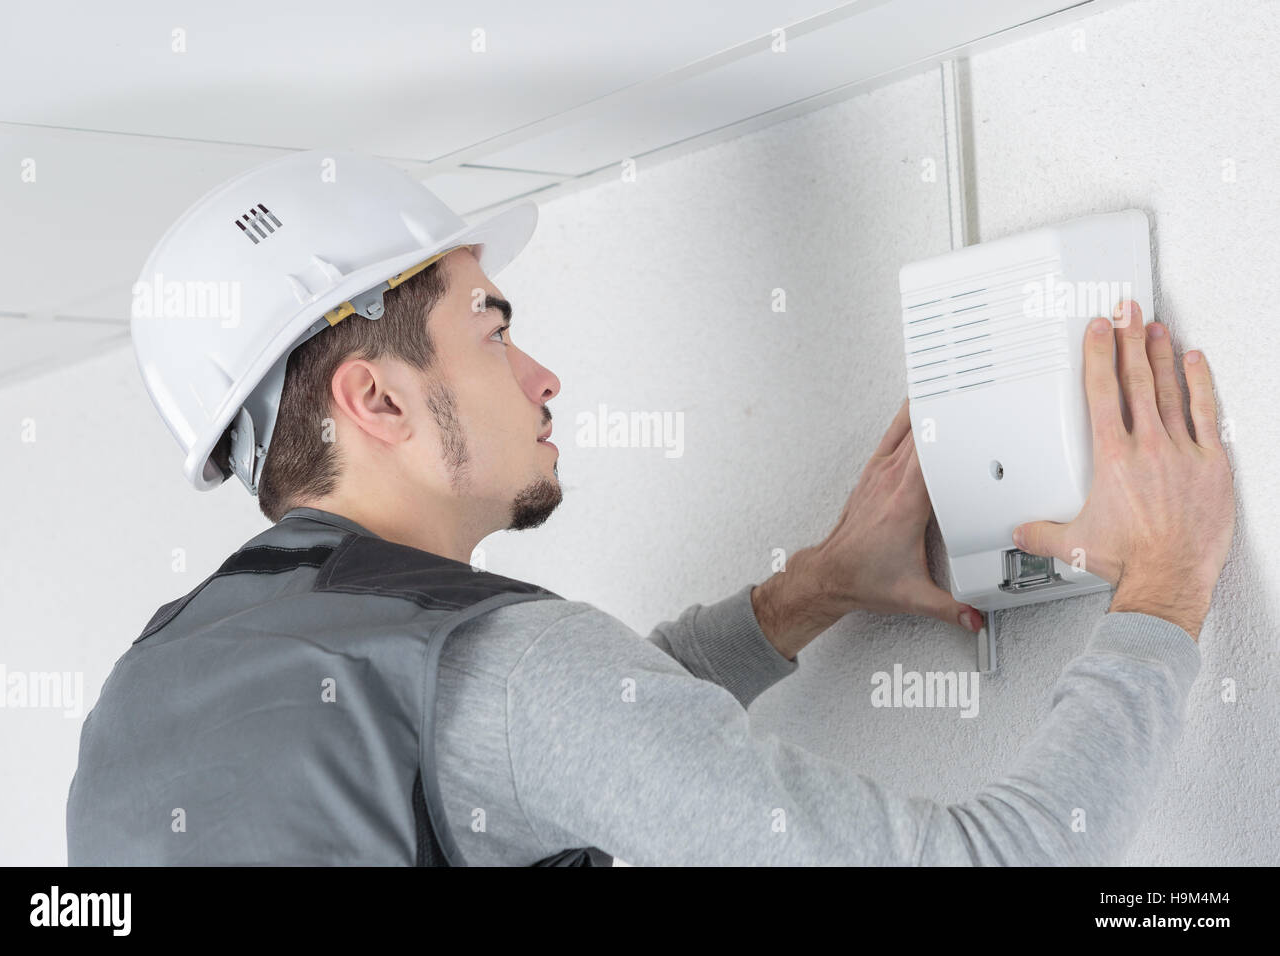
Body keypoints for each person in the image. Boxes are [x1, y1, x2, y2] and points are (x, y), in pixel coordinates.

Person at [67, 150, 1234, 865]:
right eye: (493, 324)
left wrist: (806, 590)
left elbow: (523, 759)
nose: (540, 376)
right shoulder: (500, 665)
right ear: (376, 397)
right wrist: (1165, 585)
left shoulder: (147, 690)